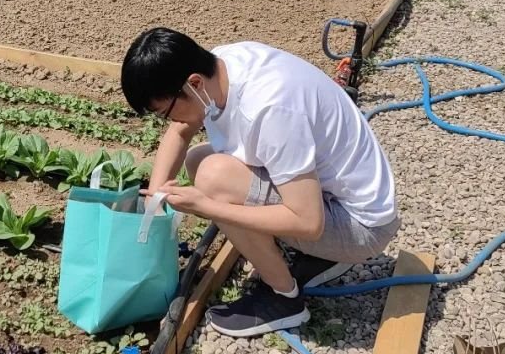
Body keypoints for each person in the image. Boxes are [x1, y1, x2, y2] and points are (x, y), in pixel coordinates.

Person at [121, 28, 400, 337]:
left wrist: (208, 206)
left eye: (165, 111)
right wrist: (154, 199)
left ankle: (284, 299)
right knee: (199, 162)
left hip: (360, 226)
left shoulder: (270, 108)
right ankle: (318, 257)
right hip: (332, 194)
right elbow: (180, 130)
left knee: (214, 180)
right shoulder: (222, 65)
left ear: (194, 83)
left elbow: (308, 223)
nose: (168, 121)